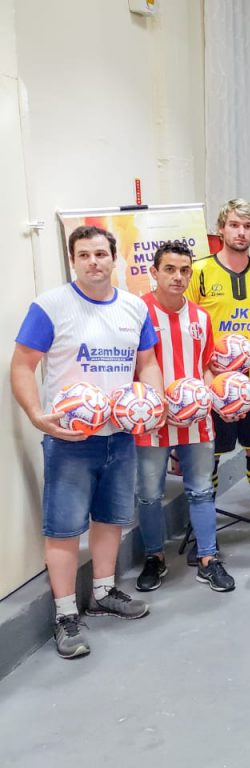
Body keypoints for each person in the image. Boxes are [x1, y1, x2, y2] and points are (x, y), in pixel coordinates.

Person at [11, 225, 163, 658]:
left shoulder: (134, 307)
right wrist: (37, 415)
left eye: (101, 253)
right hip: (72, 438)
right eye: (84, 255)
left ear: (114, 258)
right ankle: (64, 615)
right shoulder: (51, 306)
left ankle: (103, 593)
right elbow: (22, 365)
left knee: (111, 519)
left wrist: (150, 400)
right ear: (72, 260)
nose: (94, 261)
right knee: (62, 529)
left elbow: (147, 362)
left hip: (120, 435)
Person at [135, 242, 235, 594]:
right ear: (155, 272)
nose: (178, 277)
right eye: (170, 270)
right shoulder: (137, 313)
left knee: (201, 490)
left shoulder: (201, 317)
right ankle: (154, 557)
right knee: (149, 493)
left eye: (184, 270)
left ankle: (208, 558)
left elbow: (207, 367)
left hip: (196, 420)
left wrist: (218, 397)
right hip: (153, 422)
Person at [186, 198, 250, 547]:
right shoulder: (199, 272)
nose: (241, 233)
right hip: (215, 384)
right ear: (221, 228)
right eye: (235, 226)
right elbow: (191, 327)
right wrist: (206, 374)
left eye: (248, 227)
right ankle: (203, 529)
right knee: (211, 454)